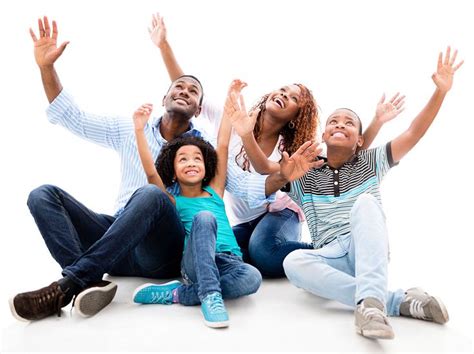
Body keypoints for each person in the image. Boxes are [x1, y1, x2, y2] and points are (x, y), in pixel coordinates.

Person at [9, 17, 272, 322]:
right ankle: (88, 284)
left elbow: (241, 183)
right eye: (179, 86)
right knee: (42, 195)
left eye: (193, 91)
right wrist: (46, 68)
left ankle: (68, 285)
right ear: (165, 98)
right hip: (114, 240)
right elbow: (72, 117)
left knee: (151, 194)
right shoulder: (128, 128)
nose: (184, 91)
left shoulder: (202, 149)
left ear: (199, 109)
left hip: (159, 250)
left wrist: (285, 177)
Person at [148, 13, 405, 277]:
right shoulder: (235, 117)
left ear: (296, 116)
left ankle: (330, 252)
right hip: (245, 220)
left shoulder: (290, 147)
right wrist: (164, 46)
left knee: (265, 252)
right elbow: (190, 92)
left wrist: (375, 123)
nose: (284, 95)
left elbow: (347, 154)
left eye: (293, 98)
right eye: (282, 90)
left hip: (280, 214)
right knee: (219, 252)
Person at [263, 47, 463, 339]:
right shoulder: (305, 172)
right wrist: (283, 175)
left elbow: (413, 133)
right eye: (334, 121)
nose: (340, 124)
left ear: (359, 140)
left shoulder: (372, 161)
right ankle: (394, 300)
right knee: (293, 262)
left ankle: (370, 308)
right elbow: (266, 187)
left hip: (365, 248)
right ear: (324, 136)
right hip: (331, 254)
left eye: (349, 123)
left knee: (367, 201)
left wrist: (440, 93)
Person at [130, 81, 262, 328]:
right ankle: (211, 296)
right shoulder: (172, 200)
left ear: (205, 166)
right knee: (205, 218)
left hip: (229, 261)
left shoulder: (215, 191)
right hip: (195, 263)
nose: (190, 163)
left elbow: (222, 144)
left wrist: (230, 97)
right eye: (183, 159)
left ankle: (178, 294)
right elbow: (150, 174)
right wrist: (139, 130)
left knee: (252, 278)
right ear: (173, 168)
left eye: (196, 158)